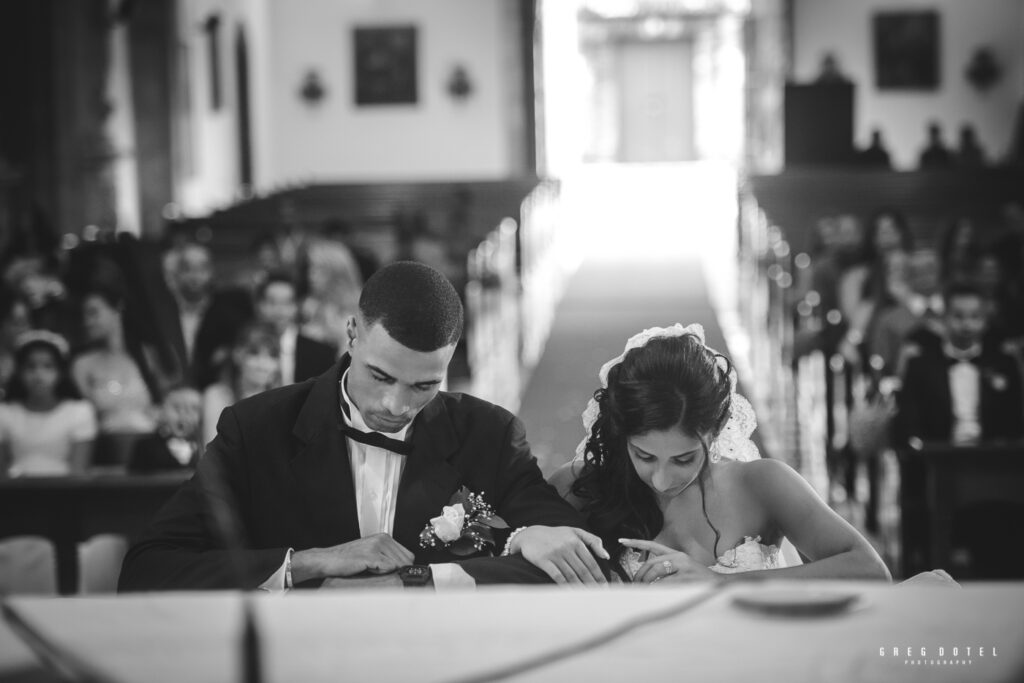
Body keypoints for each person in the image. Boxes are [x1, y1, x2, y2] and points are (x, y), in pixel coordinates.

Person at [119, 261, 608, 591]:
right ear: (352, 333)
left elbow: (585, 557)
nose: (396, 405)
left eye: (424, 386)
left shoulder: (490, 434)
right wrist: (309, 562)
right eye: (380, 375)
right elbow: (147, 567)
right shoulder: (256, 429)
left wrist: (422, 579)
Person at [549, 324, 890, 583]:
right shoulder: (580, 486)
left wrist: (722, 584)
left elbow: (870, 568)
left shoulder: (761, 483)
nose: (661, 480)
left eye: (683, 459)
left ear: (718, 427)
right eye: (644, 456)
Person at [895, 284, 1023, 446]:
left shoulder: (1004, 363)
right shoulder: (921, 365)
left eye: (975, 316)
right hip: (938, 459)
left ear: (985, 320)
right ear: (944, 317)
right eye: (958, 316)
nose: (967, 324)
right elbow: (909, 421)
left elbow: (1015, 419)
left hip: (993, 458)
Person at [71, 284, 158, 464]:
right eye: (84, 315)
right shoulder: (82, 364)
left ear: (117, 308)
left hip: (149, 454)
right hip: (105, 454)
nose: (87, 322)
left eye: (93, 313)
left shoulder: (149, 356)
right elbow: (84, 418)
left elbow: (164, 404)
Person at [0, 331, 97, 476]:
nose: (38, 375)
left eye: (48, 366)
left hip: (65, 494)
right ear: (19, 372)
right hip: (15, 494)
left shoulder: (79, 411)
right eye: (31, 367)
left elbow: (79, 471)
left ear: (60, 372)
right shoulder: (5, 413)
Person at [161, 242, 253, 389]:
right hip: (171, 390)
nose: (195, 276)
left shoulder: (227, 313)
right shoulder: (164, 313)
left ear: (211, 272)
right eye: (187, 269)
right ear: (177, 273)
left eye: (201, 268)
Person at [200, 323, 282, 447]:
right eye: (254, 354)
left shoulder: (283, 401)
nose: (263, 365)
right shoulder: (216, 395)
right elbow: (213, 454)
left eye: (272, 356)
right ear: (237, 355)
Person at [255, 272, 337, 385]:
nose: (279, 310)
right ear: (259, 305)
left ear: (296, 306)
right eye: (271, 302)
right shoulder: (246, 350)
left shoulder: (321, 353)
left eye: (286, 303)